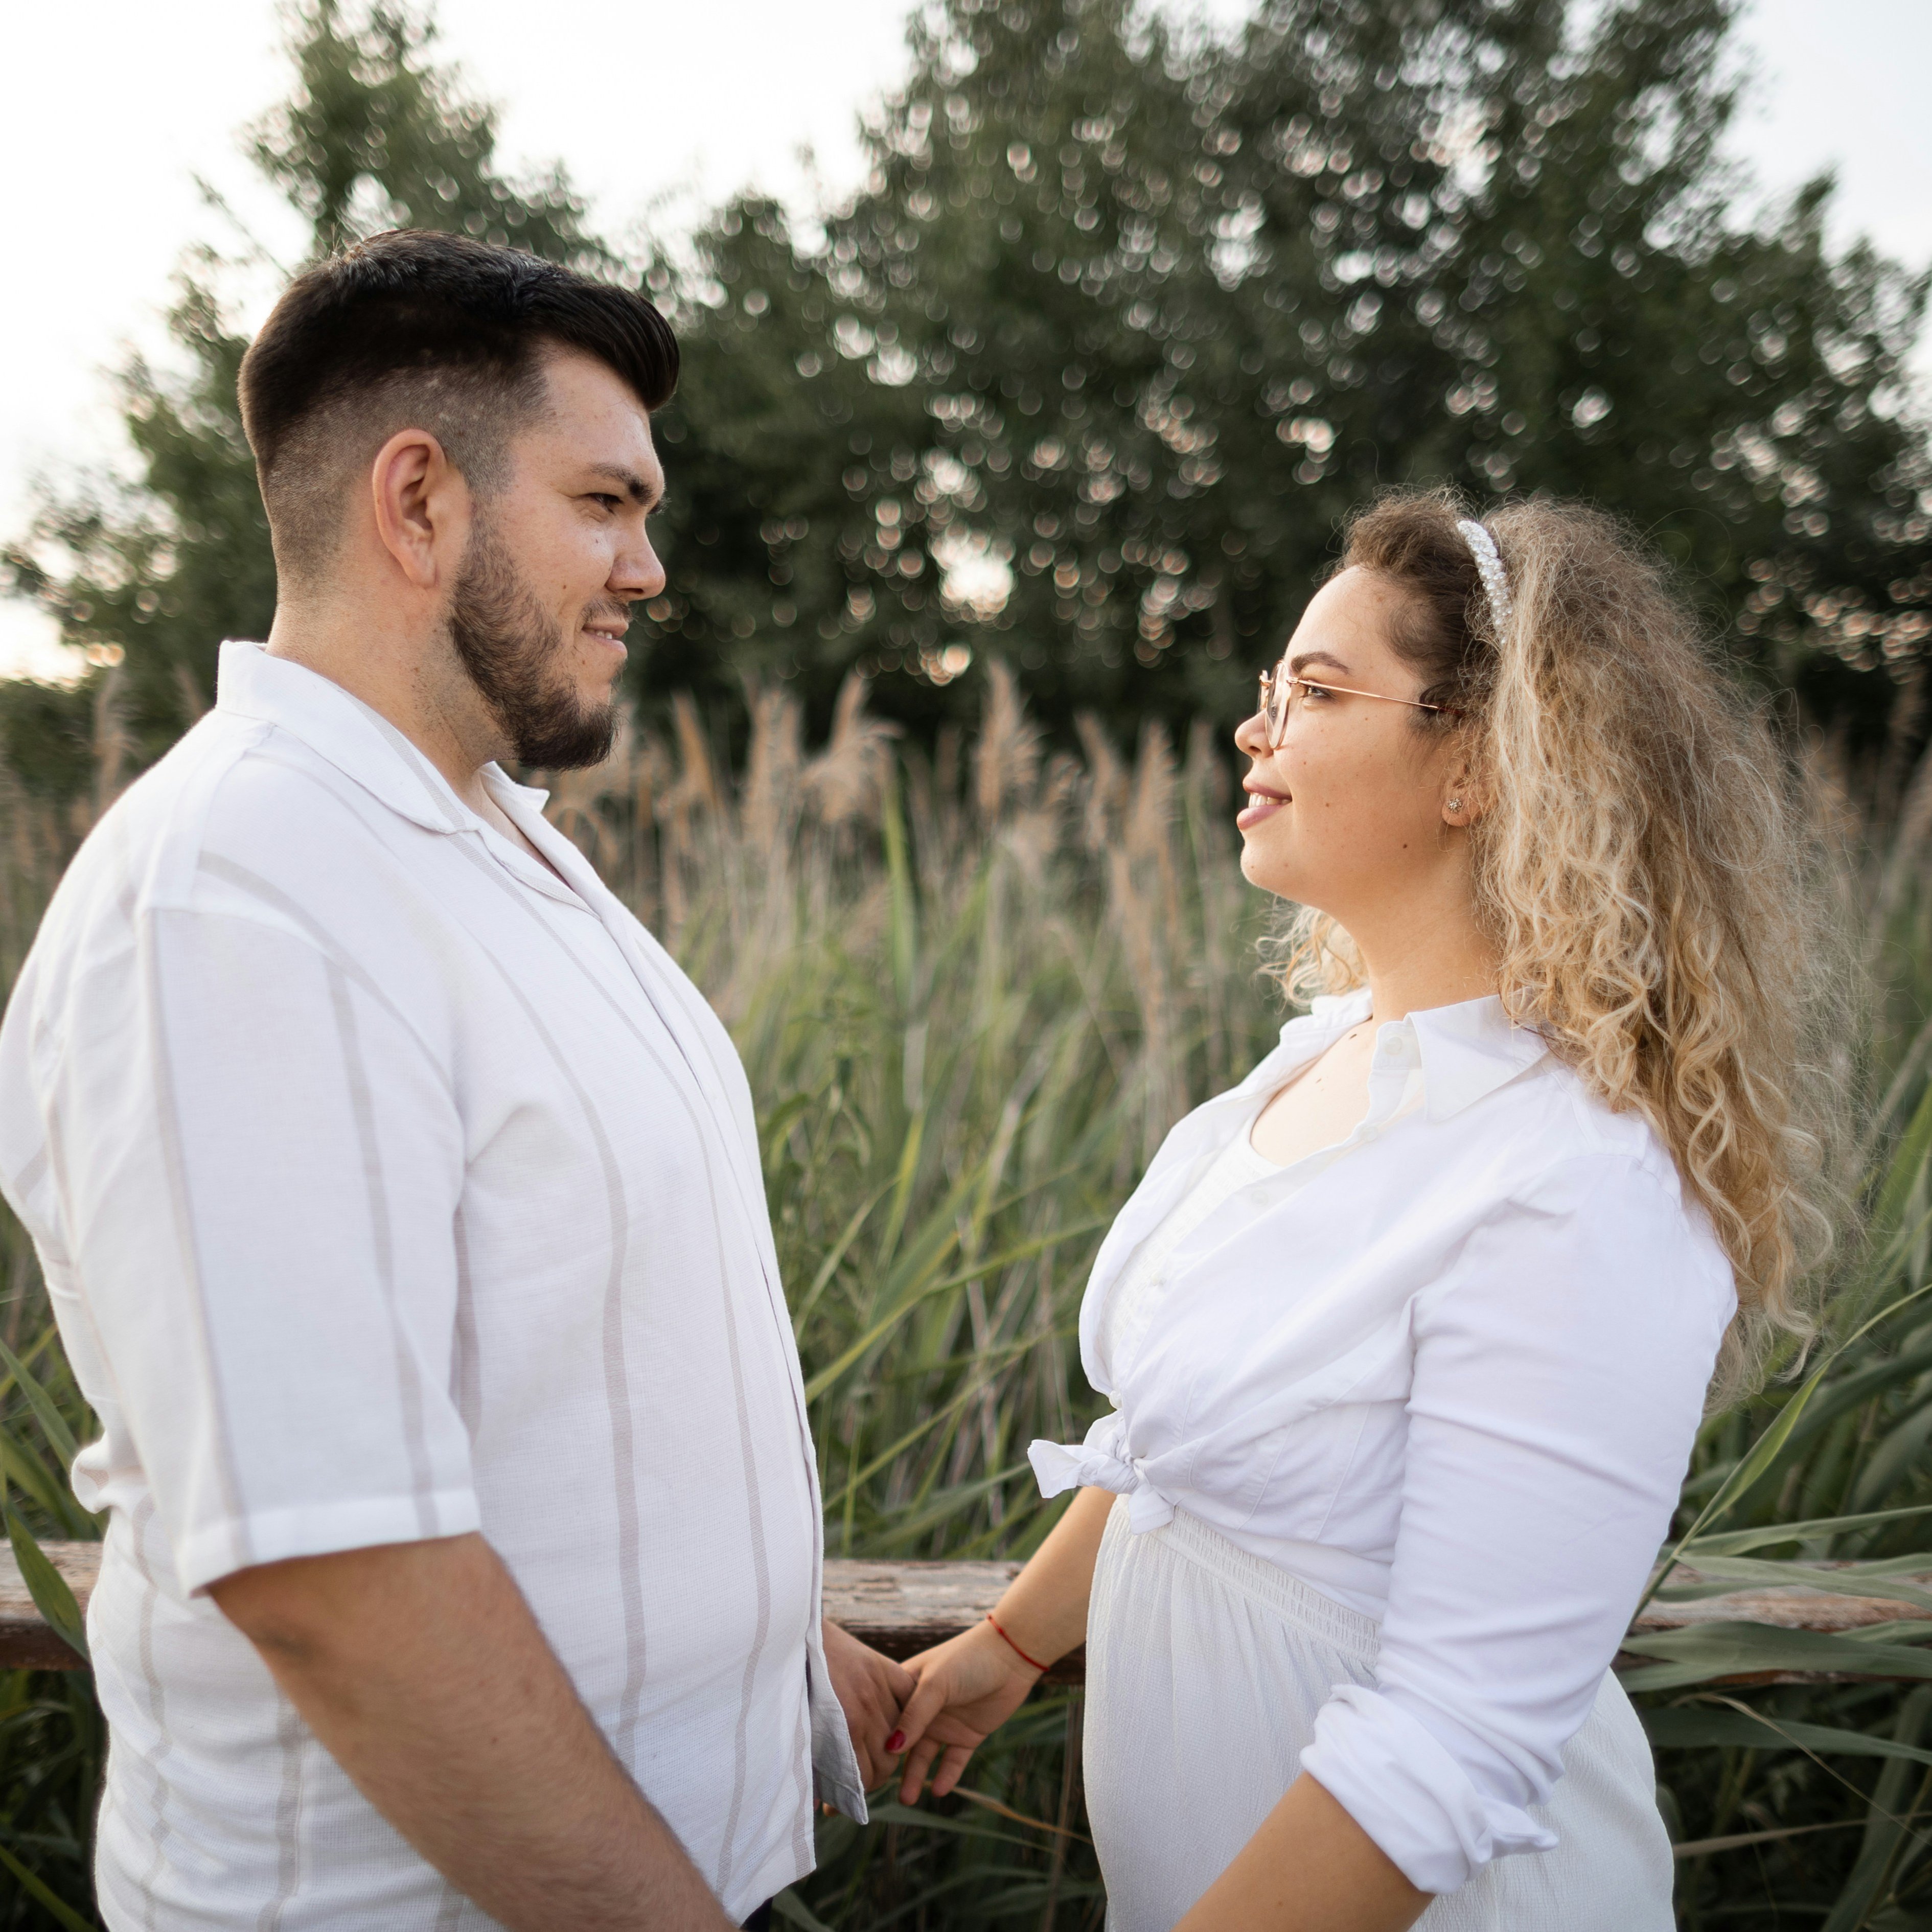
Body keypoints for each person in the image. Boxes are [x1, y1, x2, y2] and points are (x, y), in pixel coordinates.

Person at [0, 229, 912, 1932]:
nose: (649, 567)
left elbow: (563, 1353)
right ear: (417, 502)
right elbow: (337, 1572)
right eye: (604, 502)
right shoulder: (237, 893)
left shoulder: (487, 845)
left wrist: (765, 1625)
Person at [886, 491, 1838, 1930]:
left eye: (1316, 692)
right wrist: (1012, 1641)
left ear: (1474, 758)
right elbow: (1179, 1450)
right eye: (1272, 688)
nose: (1253, 731)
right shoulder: (1313, 1059)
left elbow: (1454, 1738)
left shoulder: (1579, 1175)